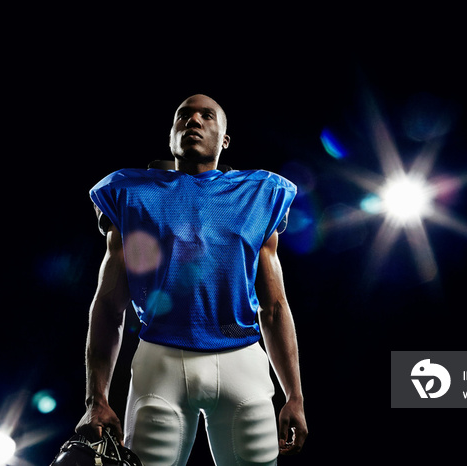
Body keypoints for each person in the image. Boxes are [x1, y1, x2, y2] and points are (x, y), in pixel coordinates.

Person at [75, 94, 308, 465]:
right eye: (184, 115)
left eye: (206, 115)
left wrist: (294, 395)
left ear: (224, 138)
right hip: (160, 362)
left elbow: (275, 306)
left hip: (242, 361)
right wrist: (96, 399)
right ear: (171, 136)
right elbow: (107, 304)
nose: (194, 121)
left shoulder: (259, 194)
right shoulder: (130, 192)